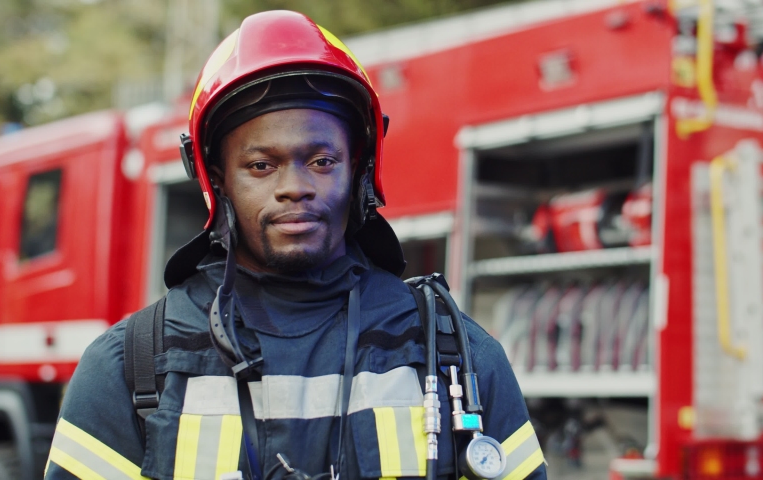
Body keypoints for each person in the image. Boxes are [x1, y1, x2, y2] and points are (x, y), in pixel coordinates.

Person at [44, 10, 546, 480]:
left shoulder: (455, 355)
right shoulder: (129, 368)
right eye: (262, 165)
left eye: (323, 161)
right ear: (217, 182)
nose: (295, 187)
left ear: (361, 171)